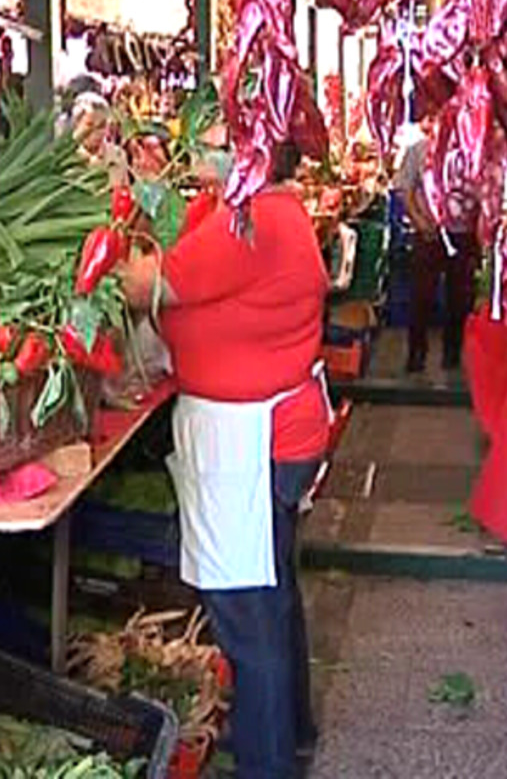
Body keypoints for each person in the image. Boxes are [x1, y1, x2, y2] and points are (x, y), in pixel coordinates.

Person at [115, 139, 330, 779]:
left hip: (252, 443)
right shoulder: (244, 208)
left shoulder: (250, 219)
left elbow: (145, 286)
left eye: (213, 135)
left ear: (253, 153)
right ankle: (290, 734)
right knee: (272, 595)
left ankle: (269, 765)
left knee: (247, 613)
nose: (195, 142)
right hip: (264, 435)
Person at [394, 125, 480, 374]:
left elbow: (483, 193)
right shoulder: (419, 149)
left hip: (463, 234)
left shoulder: (472, 150)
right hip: (429, 234)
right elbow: (406, 190)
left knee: (460, 297)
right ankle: (416, 353)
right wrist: (420, 222)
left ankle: (452, 353)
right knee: (421, 295)